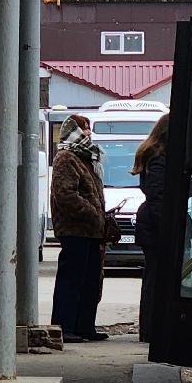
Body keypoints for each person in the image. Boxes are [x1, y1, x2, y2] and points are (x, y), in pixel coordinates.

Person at [50, 114, 113, 343]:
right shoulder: (66, 157)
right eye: (83, 128)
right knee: (71, 280)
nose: (88, 132)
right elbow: (66, 194)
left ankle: (84, 326)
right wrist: (93, 212)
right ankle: (65, 327)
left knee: (89, 280)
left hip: (91, 231)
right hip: (75, 230)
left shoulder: (87, 157)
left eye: (88, 127)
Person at [131, 113, 171, 343]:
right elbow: (158, 194)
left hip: (152, 224)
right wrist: (166, 228)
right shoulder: (159, 156)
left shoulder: (154, 153)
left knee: (153, 279)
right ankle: (150, 330)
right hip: (156, 226)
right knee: (155, 281)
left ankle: (150, 329)